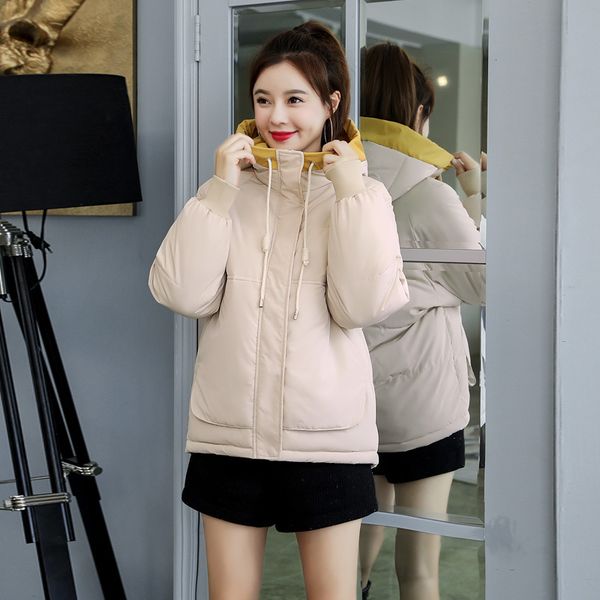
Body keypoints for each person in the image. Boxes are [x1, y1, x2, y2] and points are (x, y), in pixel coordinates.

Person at [149, 22, 409, 600]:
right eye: (263, 99)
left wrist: (351, 193)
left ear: (330, 104)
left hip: (327, 440)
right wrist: (219, 189)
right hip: (229, 438)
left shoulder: (361, 196)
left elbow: (361, 305)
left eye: (295, 99)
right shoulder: (227, 192)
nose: (276, 116)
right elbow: (181, 293)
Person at [358, 42, 485, 600]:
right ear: (418, 113)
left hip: (352, 397)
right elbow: (479, 282)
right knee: (420, 569)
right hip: (423, 405)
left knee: (352, 544)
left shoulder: (331, 184)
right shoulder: (428, 197)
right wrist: (473, 198)